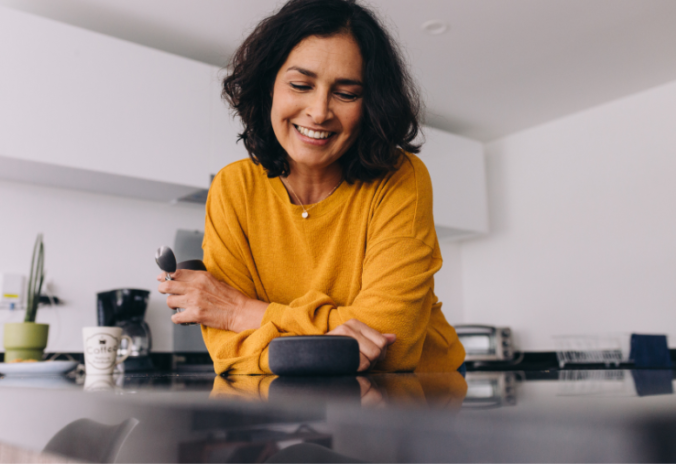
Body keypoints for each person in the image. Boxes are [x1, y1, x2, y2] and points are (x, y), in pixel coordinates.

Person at [157, 0, 465, 375]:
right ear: (269, 86)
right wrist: (336, 341)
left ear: (369, 105)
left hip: (418, 395)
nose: (319, 112)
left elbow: (391, 343)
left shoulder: (402, 177)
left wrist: (242, 311)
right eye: (301, 85)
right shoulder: (232, 187)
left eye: (347, 93)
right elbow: (227, 352)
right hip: (291, 400)